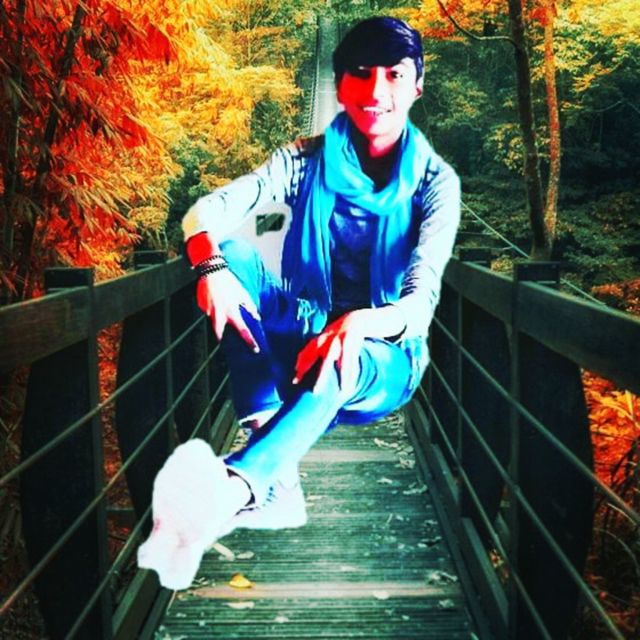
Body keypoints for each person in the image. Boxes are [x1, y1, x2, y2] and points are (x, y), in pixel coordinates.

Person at [138, 16, 460, 590]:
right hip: (304, 328)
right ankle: (277, 472)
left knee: (344, 351)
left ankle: (241, 484)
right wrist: (211, 267)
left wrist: (359, 323)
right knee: (234, 252)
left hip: (385, 356)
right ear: (339, 86)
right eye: (360, 73)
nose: (377, 90)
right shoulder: (302, 161)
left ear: (417, 85)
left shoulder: (436, 184)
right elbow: (209, 211)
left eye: (394, 74)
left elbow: (420, 302)